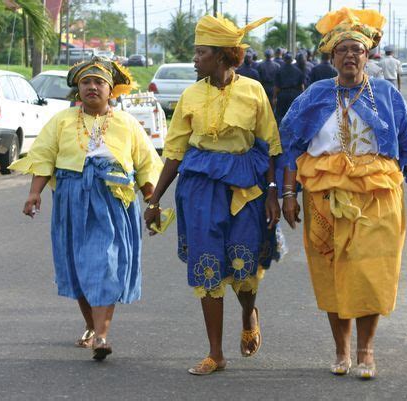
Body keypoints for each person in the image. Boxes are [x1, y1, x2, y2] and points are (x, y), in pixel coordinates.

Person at [279, 7, 407, 380]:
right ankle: (341, 351)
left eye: (357, 50)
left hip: (377, 196)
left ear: (368, 56)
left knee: (370, 273)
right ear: (331, 57)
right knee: (331, 272)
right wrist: (287, 194)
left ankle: (366, 351)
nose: (350, 56)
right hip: (323, 195)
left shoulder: (385, 94)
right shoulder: (315, 95)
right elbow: (289, 146)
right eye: (342, 50)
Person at [144, 14, 283, 375]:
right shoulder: (190, 95)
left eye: (201, 52)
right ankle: (215, 353)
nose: (195, 59)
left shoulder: (253, 91)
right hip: (200, 189)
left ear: (222, 56)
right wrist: (155, 199)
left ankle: (249, 312)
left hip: (246, 187)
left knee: (244, 268)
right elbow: (173, 151)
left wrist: (273, 193)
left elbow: (269, 145)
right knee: (208, 268)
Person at [10, 57, 163, 361]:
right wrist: (34, 193)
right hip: (72, 199)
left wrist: (152, 201)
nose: (92, 87)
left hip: (114, 203)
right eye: (86, 82)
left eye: (99, 82)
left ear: (111, 90)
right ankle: (93, 325)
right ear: (78, 90)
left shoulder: (127, 123)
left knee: (105, 263)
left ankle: (102, 335)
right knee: (78, 267)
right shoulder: (62, 120)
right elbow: (43, 156)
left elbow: (146, 164)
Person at [273, 52, 304, 124]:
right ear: (292, 60)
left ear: (284, 59)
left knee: (280, 114)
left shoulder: (279, 70)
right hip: (294, 95)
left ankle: (280, 132)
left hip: (283, 94)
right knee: (293, 114)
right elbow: (301, 86)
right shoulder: (298, 70)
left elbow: (276, 86)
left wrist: (274, 97)